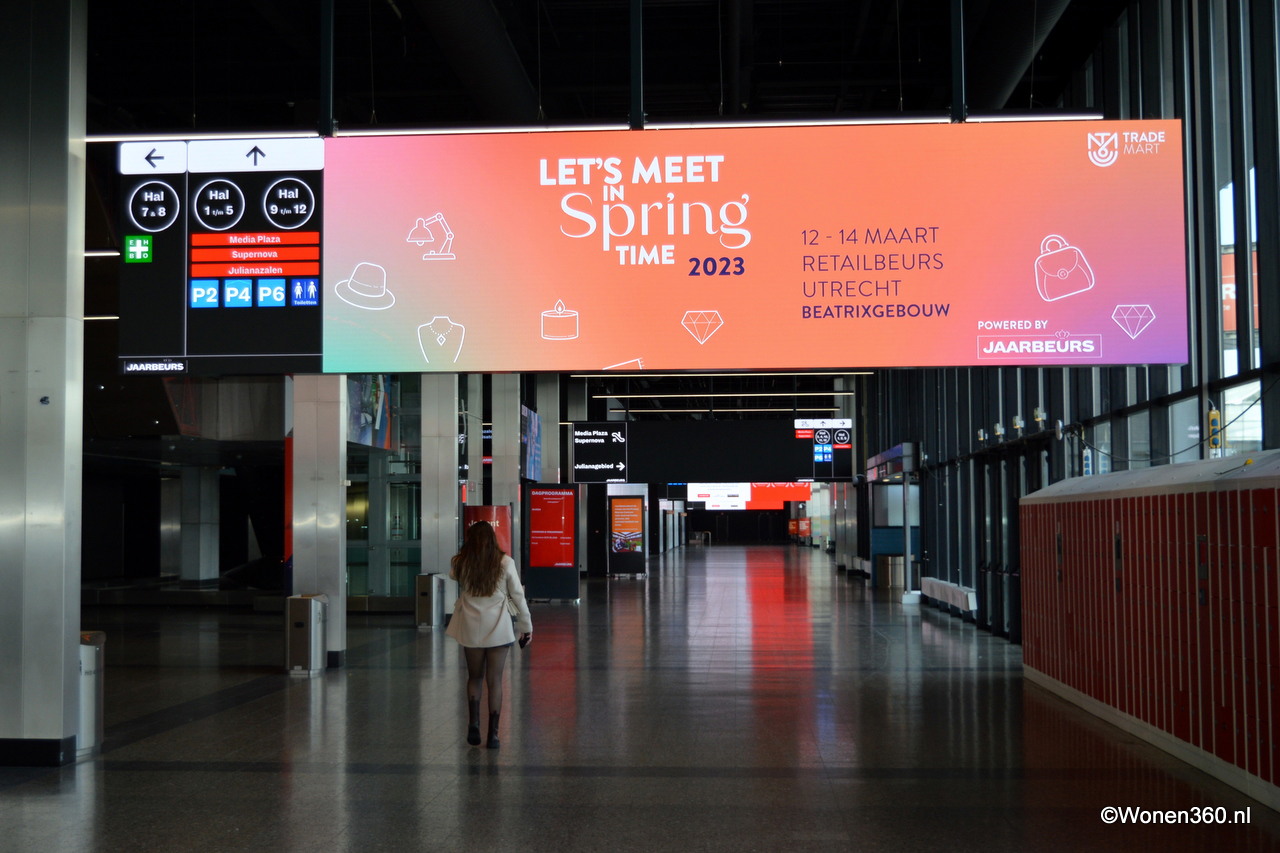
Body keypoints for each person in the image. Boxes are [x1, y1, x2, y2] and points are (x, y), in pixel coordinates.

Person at [444, 521, 532, 748]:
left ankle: (473, 724)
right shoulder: (505, 562)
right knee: (495, 681)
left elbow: (453, 575)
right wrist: (526, 626)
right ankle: (493, 735)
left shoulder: (461, 562)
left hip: (470, 627)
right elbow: (518, 596)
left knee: (474, 677)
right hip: (498, 628)